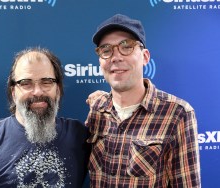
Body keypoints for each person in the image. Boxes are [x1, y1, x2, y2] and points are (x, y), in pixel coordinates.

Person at [85, 14, 201, 187]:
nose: (115, 57)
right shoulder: (97, 108)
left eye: (126, 46)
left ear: (145, 57)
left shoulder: (177, 114)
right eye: (106, 50)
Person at [0, 47, 90, 188]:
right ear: (13, 92)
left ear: (58, 90)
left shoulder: (79, 135)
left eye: (46, 82)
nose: (37, 92)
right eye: (26, 83)